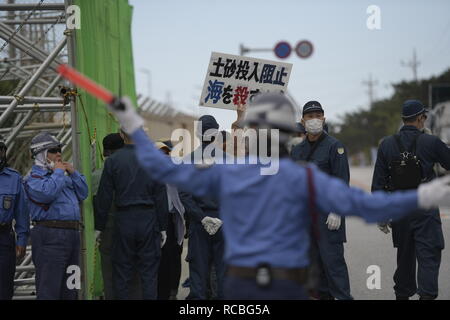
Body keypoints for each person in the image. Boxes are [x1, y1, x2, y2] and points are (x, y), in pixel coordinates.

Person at [107, 93, 450, 300]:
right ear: (291, 131)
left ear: (255, 132)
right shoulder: (304, 177)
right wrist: (421, 196)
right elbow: (370, 204)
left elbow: (166, 170)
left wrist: (135, 128)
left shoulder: (230, 173)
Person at [371, 99, 450, 300]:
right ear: (421, 118)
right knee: (429, 256)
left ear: (403, 119)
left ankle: (402, 295)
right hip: (425, 207)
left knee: (404, 257)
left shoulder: (386, 144)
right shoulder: (430, 141)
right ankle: (427, 296)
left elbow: (378, 184)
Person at [95, 129, 167, 300]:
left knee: (122, 273)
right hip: (148, 219)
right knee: (149, 274)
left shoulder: (113, 161)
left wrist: (99, 226)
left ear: (121, 134)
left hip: (124, 219)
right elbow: (161, 195)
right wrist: (163, 226)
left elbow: (104, 196)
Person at [290, 101, 352, 300]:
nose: (314, 119)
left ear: (324, 118)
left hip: (328, 217)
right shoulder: (297, 150)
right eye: (310, 116)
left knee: (334, 266)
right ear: (303, 121)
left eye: (318, 115)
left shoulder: (335, 146)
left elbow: (342, 181)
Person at [25, 132, 88, 300]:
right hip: (50, 235)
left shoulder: (62, 175)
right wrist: (59, 173)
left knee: (71, 288)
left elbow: (83, 193)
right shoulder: (33, 178)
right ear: (41, 153)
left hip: (72, 235)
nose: (59, 153)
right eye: (53, 150)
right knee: (49, 289)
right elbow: (47, 194)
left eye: (59, 149)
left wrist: (73, 172)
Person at [155, 140, 212, 300]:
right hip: (158, 220)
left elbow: (185, 197)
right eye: (162, 153)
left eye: (167, 153)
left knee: (174, 256)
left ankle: (172, 291)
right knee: (161, 259)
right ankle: (163, 293)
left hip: (175, 219)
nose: (165, 156)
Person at [92, 133, 141, 299]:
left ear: (106, 153)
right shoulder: (138, 169)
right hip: (134, 226)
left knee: (110, 272)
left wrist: (99, 228)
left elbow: (97, 204)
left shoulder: (97, 175)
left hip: (109, 230)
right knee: (135, 272)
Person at [185, 115, 226, 300]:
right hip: (223, 222)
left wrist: (201, 217)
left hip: (198, 222)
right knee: (224, 273)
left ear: (197, 133)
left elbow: (184, 195)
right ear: (216, 133)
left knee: (198, 273)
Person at [0, 137, 29, 300]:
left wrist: (22, 240)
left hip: (4, 238)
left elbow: (21, 212)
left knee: (4, 288)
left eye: (0, 150)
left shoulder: (14, 178)